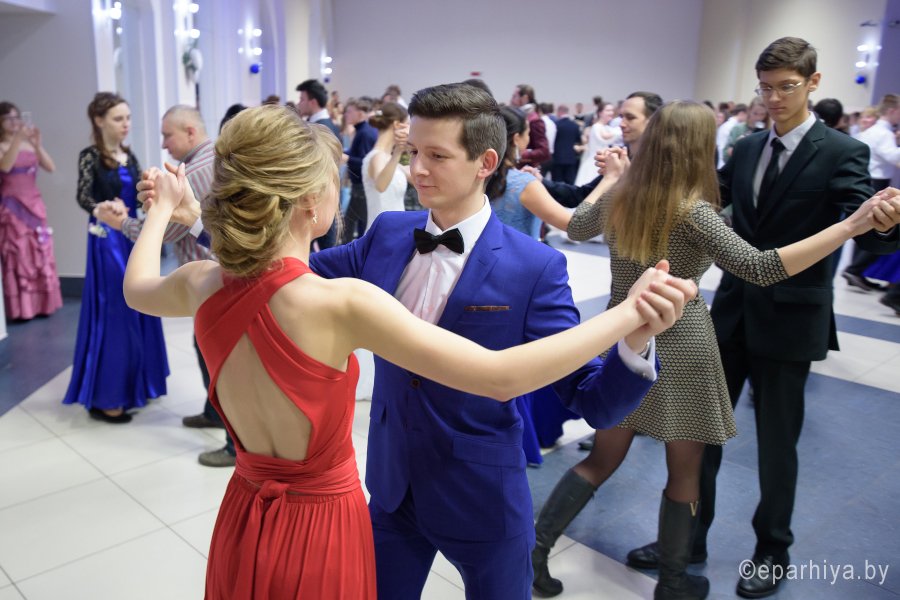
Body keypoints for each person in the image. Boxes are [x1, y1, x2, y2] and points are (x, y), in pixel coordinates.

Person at [122, 104, 696, 599]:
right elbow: (497, 374)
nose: (417, 169)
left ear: (485, 162)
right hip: (374, 497)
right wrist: (627, 311)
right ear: (309, 201)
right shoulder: (377, 250)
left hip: (456, 497)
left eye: (435, 155)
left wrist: (634, 341)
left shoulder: (534, 267)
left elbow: (195, 282)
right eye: (411, 151)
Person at [531, 100, 900, 599]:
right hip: (683, 347)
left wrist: (615, 177)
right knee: (685, 472)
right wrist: (850, 226)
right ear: (699, 148)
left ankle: (536, 550)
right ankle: (673, 583)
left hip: (621, 338)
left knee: (601, 458)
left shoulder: (623, 196)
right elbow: (762, 268)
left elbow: (576, 227)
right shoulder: (694, 211)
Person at [627, 38, 900, 599]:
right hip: (731, 313)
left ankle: (772, 549)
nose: (774, 98)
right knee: (701, 434)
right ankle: (688, 540)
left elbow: (861, 218)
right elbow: (700, 200)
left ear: (813, 83)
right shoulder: (749, 147)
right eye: (766, 88)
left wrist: (885, 221)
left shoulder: (841, 151)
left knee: (777, 446)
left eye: (787, 87)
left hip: (791, 319)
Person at [62, 91, 169, 424]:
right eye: (118, 119)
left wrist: (150, 189)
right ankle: (108, 395)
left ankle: (137, 385)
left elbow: (137, 197)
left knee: (142, 302)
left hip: (131, 234)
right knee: (116, 309)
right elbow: (83, 195)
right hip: (106, 238)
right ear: (99, 121)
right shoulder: (90, 156)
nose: (126, 124)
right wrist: (102, 208)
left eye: (128, 118)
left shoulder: (128, 154)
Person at [0, 101, 62, 320]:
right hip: (12, 206)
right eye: (8, 118)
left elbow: (51, 167)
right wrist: (17, 140)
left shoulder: (28, 145)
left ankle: (42, 305)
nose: (14, 122)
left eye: (16, 117)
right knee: (18, 254)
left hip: (34, 204)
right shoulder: (2, 146)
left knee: (39, 253)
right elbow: (5, 166)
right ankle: (21, 309)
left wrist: (37, 144)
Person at [362, 102, 411, 230]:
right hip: (382, 231)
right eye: (407, 124)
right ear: (397, 125)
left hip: (397, 229)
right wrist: (398, 152)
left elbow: (415, 176)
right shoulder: (377, 157)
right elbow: (381, 185)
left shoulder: (390, 160)